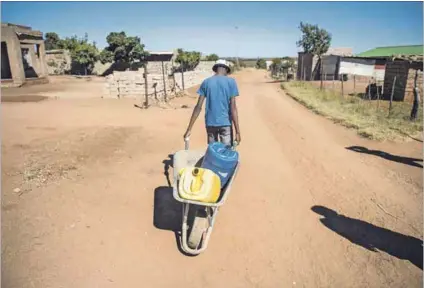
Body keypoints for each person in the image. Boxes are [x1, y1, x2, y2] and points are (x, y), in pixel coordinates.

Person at [183, 59, 241, 146]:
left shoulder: (206, 82)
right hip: (225, 123)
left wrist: (189, 129)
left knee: (213, 152)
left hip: (210, 123)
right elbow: (233, 108)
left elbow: (198, 107)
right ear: (225, 69)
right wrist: (237, 132)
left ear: (216, 69)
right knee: (225, 154)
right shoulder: (231, 82)